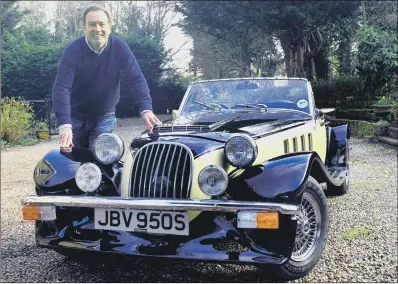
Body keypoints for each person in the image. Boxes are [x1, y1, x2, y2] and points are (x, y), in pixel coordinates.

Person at [52, 4, 162, 151]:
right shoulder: (72, 51)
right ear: (84, 28)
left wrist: (146, 108)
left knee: (100, 159)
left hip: (104, 116)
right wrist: (65, 124)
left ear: (109, 26)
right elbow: (61, 87)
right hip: (75, 117)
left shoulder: (119, 47)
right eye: (92, 25)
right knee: (75, 162)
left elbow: (136, 79)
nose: (97, 29)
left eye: (101, 24)